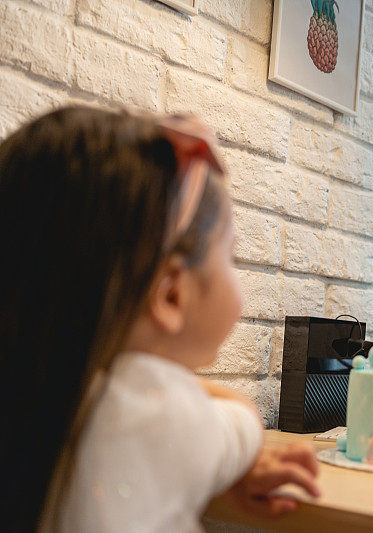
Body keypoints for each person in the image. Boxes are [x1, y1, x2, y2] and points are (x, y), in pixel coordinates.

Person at [0, 106, 320, 532]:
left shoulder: (31, 392)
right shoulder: (163, 413)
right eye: (232, 257)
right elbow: (246, 422)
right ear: (171, 294)